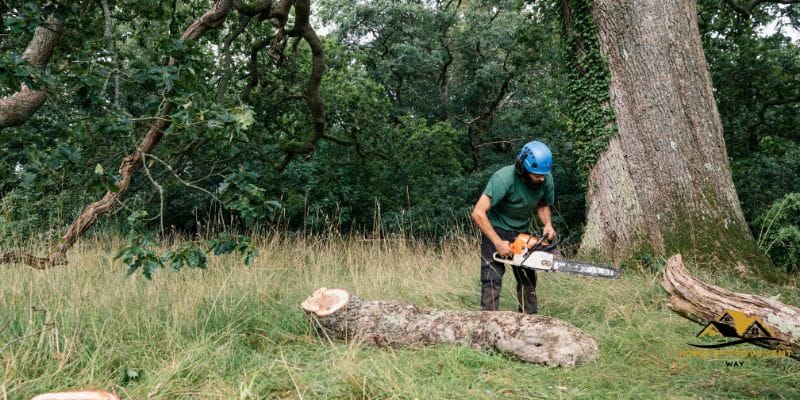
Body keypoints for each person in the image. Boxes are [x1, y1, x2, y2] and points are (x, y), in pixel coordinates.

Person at [470, 140, 556, 314]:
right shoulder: (503, 178)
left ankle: (528, 319)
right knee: (491, 278)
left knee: (527, 277)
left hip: (521, 231)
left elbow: (543, 204)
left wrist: (547, 224)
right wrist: (497, 242)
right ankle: (487, 320)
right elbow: (478, 212)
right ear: (523, 169)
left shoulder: (545, 177)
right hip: (496, 229)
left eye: (543, 174)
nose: (541, 178)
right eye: (537, 174)